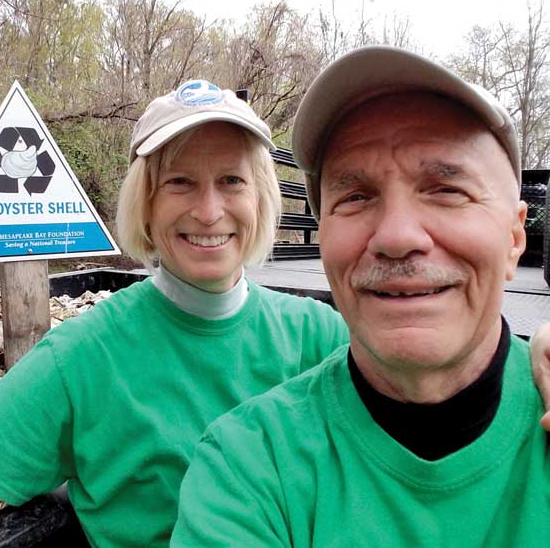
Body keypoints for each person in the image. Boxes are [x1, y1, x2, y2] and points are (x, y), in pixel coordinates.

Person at [0, 79, 353, 548]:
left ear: (259, 196)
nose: (209, 211)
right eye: (179, 182)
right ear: (146, 200)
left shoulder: (320, 337)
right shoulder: (83, 358)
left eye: (231, 181)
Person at [171, 46, 550, 547]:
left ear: (514, 238)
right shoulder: (248, 467)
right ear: (324, 233)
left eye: (445, 189)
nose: (396, 236)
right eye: (356, 196)